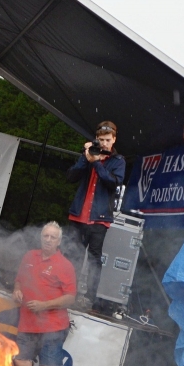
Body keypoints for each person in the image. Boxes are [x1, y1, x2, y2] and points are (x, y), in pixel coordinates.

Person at [12, 222, 76, 366]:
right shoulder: (29, 256)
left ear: (59, 241)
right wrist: (17, 290)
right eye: (45, 236)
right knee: (21, 361)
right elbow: (19, 280)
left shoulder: (65, 265)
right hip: (28, 322)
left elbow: (70, 298)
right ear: (41, 237)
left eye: (53, 237)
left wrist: (44, 305)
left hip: (54, 325)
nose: (48, 240)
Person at [65, 121, 125, 311]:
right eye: (101, 140)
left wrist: (97, 163)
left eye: (108, 140)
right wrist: (86, 157)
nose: (104, 144)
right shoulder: (89, 154)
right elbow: (70, 177)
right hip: (78, 215)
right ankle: (67, 294)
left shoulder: (119, 161)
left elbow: (112, 183)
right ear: (96, 139)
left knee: (94, 260)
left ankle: (89, 300)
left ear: (114, 139)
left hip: (99, 218)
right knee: (71, 255)